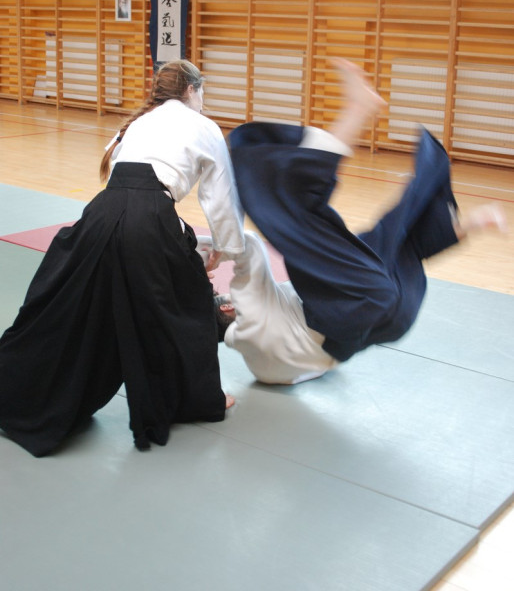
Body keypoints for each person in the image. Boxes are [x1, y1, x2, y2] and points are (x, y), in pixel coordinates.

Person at [206, 59, 507, 385]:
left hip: (388, 319)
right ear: (227, 310)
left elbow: (308, 368)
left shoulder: (264, 364)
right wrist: (218, 248)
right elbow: (249, 249)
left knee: (381, 246)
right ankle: (358, 108)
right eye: (226, 298)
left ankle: (471, 224)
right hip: (355, 309)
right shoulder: (252, 313)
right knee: (294, 212)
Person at [0, 59, 244, 456]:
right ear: (190, 90)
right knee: (186, 304)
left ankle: (16, 392)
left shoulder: (137, 124)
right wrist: (224, 245)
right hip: (148, 216)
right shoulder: (204, 127)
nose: (203, 100)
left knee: (69, 306)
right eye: (202, 92)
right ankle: (196, 399)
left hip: (100, 215)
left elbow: (129, 184)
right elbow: (221, 195)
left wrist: (182, 236)